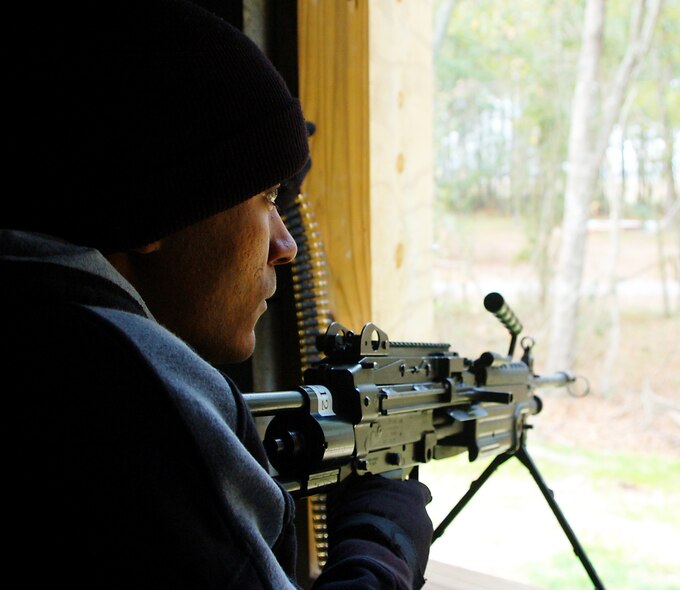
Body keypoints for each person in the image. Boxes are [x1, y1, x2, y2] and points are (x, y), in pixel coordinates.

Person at [1, 1, 433, 588]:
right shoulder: (143, 401)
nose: (287, 245)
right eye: (266, 198)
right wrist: (384, 541)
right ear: (155, 210)